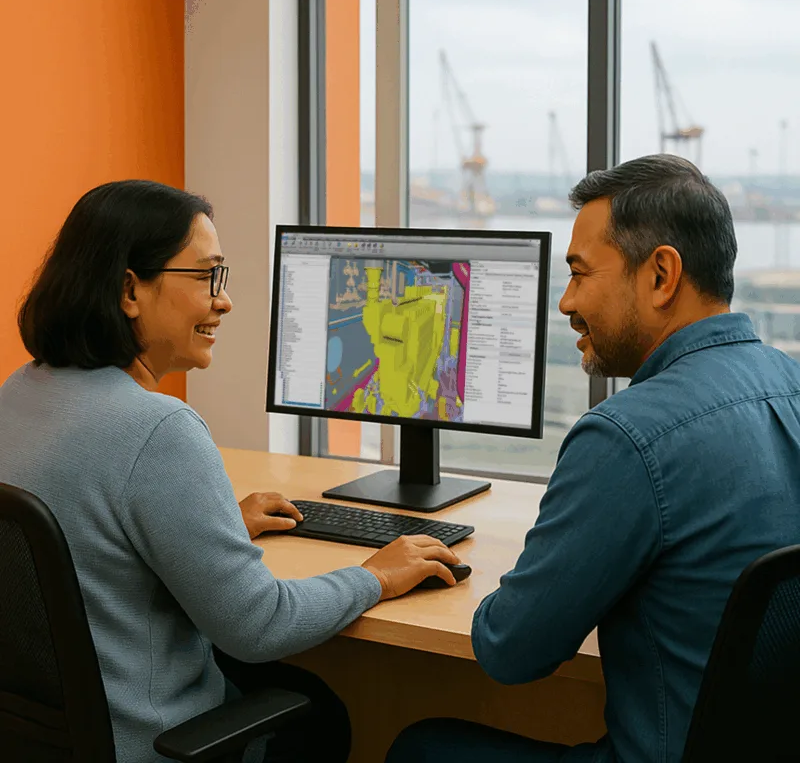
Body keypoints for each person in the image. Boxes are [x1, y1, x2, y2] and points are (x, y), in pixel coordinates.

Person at [0, 180, 463, 763]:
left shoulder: (17, 393)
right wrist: (378, 575)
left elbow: (84, 540)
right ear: (128, 290)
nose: (225, 301)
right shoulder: (158, 428)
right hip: (148, 744)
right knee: (320, 712)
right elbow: (259, 625)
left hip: (41, 740)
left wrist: (212, 526)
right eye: (208, 276)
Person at [384, 153, 800, 762]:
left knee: (419, 748)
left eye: (580, 273)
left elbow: (510, 651)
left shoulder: (629, 436)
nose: (566, 301)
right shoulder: (791, 384)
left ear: (661, 274)